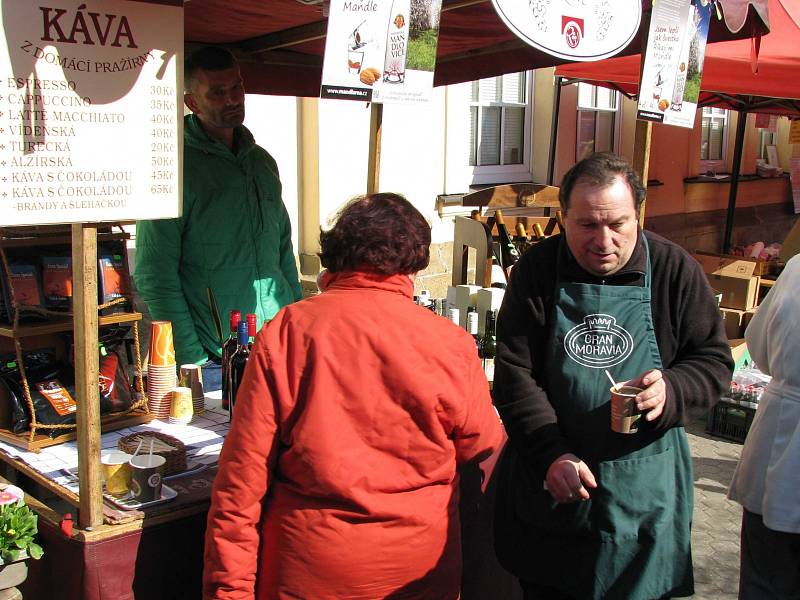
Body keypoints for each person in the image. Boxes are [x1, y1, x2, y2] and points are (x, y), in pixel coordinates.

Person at [203, 193, 503, 599]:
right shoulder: (449, 343)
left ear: (334, 256)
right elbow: (487, 459)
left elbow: (241, 482)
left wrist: (229, 592)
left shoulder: (289, 331)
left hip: (312, 569)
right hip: (416, 569)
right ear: (414, 261)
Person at [492, 152, 733, 600]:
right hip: (554, 482)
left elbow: (714, 362)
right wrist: (551, 453)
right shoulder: (538, 271)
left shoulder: (675, 270)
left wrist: (673, 390)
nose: (603, 241)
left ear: (638, 215)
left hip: (644, 488)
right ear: (563, 218)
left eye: (618, 224)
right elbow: (514, 375)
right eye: (586, 225)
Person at [134, 46, 302, 390]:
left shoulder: (262, 163)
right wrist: (191, 358)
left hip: (280, 344)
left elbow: (283, 252)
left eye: (236, 87)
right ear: (192, 103)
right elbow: (154, 273)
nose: (232, 99)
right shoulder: (172, 170)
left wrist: (298, 321)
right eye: (218, 92)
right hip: (216, 357)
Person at [728, 254, 800, 600]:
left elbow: (758, 344)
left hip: (779, 429)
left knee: (766, 576)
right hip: (783, 424)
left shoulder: (798, 267)